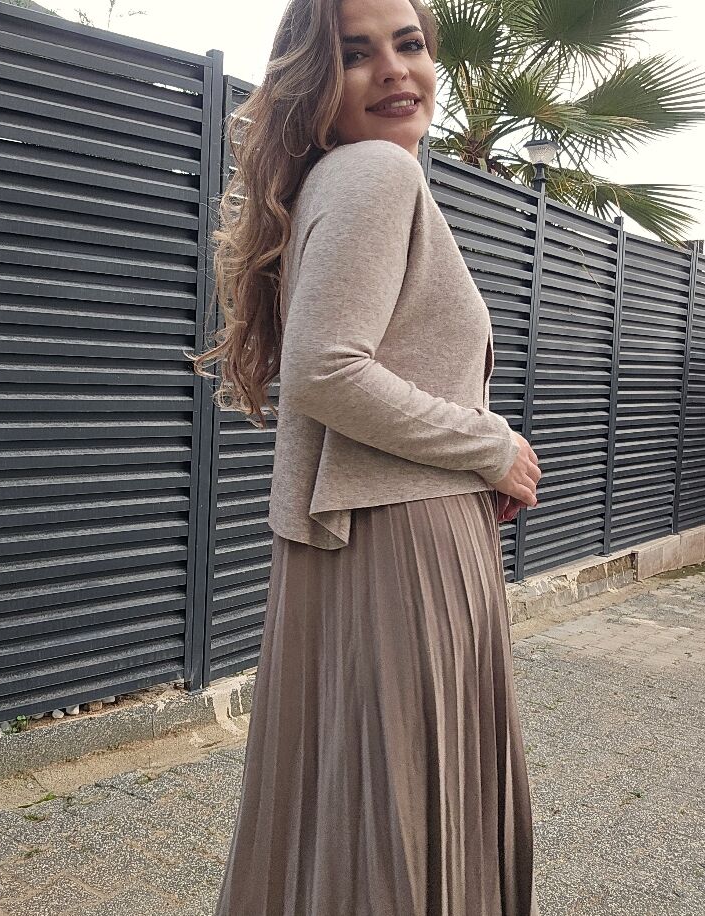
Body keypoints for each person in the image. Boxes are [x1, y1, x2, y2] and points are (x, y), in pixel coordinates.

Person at [188, 0, 543, 912]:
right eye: (356, 54)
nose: (393, 69)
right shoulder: (377, 171)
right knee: (402, 813)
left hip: (364, 537)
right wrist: (489, 446)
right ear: (316, 83)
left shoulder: (336, 180)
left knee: (346, 808)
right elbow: (326, 370)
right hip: (402, 547)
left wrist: (473, 454)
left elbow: (350, 366)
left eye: (409, 44)